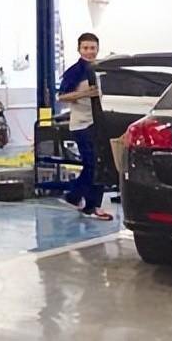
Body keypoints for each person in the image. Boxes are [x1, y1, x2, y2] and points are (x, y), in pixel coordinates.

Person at [58, 32, 113, 221]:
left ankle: (88, 203)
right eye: (86, 48)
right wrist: (85, 94)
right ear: (79, 49)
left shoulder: (101, 70)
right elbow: (62, 96)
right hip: (82, 125)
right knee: (92, 165)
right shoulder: (75, 72)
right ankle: (79, 199)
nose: (89, 51)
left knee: (100, 165)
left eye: (93, 48)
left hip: (99, 124)